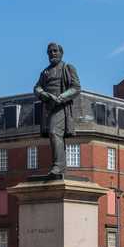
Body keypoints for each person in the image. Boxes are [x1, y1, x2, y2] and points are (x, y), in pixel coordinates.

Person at [33, 42, 81, 178]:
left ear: (61, 53)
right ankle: (60, 166)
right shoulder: (45, 72)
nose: (52, 54)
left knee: (54, 132)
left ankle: (58, 166)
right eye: (50, 52)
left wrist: (61, 97)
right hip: (48, 107)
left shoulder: (67, 67)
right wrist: (44, 94)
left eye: (55, 51)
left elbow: (76, 87)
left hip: (61, 107)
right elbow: (36, 88)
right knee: (54, 135)